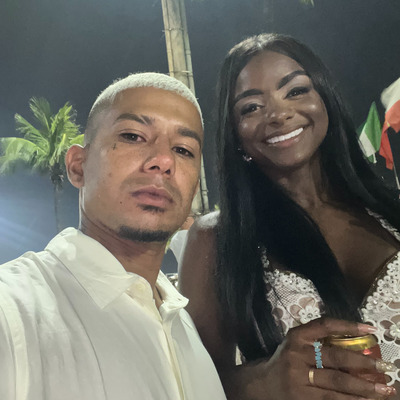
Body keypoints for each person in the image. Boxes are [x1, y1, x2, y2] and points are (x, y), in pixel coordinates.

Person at [179, 33, 400, 400]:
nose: (278, 114)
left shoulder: (390, 208)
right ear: (235, 134)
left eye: (295, 91)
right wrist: (265, 379)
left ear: (325, 98)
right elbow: (191, 382)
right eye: (251, 107)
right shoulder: (217, 239)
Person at [0, 72, 226, 400]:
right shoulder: (15, 313)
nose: (164, 161)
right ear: (78, 166)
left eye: (183, 149)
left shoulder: (183, 325)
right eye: (133, 136)